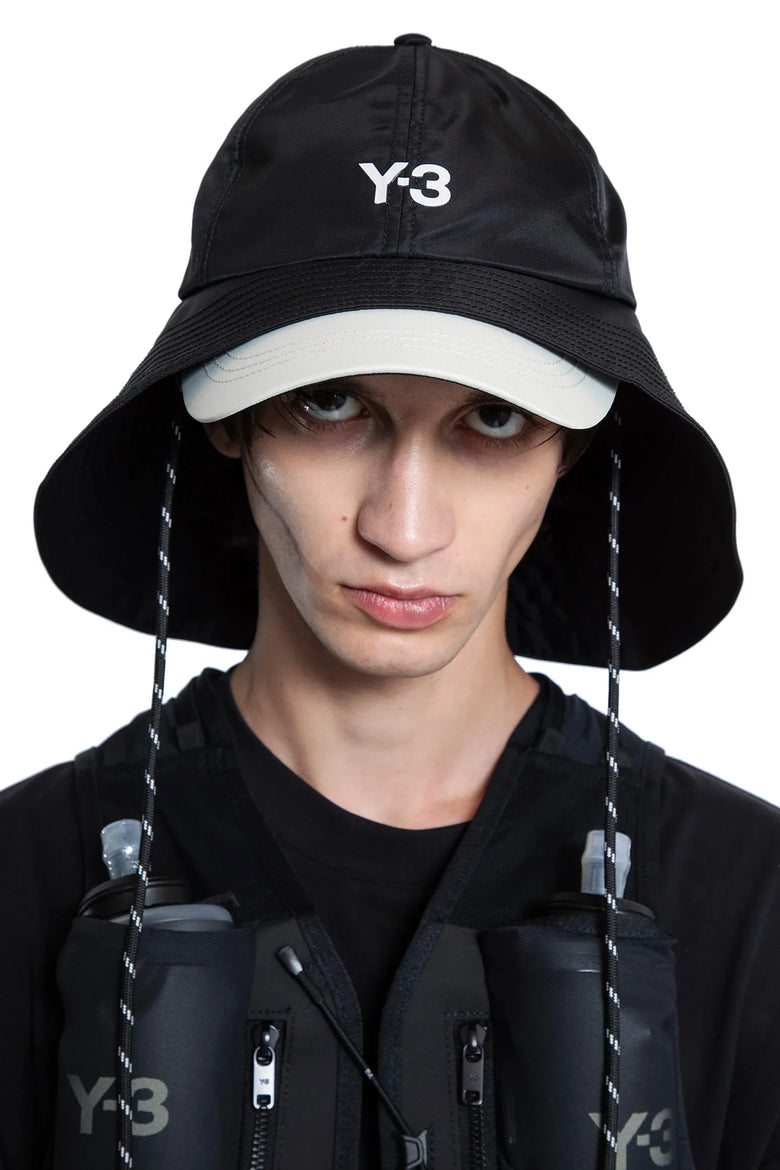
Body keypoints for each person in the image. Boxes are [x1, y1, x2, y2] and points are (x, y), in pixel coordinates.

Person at [1, 32, 778, 1170]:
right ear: (226, 417)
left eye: (494, 419)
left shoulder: (754, 905)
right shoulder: (19, 879)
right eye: (329, 404)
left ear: (574, 447)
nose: (403, 528)